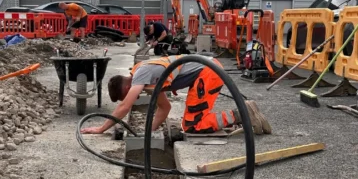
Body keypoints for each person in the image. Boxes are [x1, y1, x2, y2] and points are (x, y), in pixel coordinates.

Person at [81, 55, 272, 135]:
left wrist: (101, 129)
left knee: (192, 126)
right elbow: (165, 108)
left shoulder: (141, 74)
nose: (134, 97)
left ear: (125, 89)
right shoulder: (149, 78)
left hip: (209, 72)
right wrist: (147, 133)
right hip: (206, 72)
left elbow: (124, 107)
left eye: (129, 95)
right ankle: (245, 112)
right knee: (190, 124)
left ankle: (241, 113)